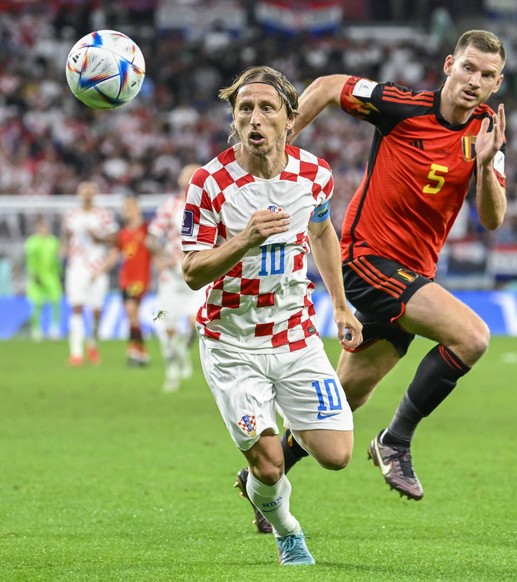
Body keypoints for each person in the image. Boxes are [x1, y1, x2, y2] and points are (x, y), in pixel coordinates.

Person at [236, 30, 508, 534]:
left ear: (497, 83)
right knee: (472, 337)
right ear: (449, 65)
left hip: (411, 276)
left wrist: (487, 166)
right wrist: (282, 142)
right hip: (367, 260)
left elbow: (493, 218)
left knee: (342, 400)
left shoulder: (489, 128)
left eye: (487, 75)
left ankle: (263, 483)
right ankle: (395, 440)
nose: (475, 81)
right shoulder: (401, 105)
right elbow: (328, 85)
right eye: (468, 68)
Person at [181, 66, 363, 565]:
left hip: (296, 338)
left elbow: (323, 232)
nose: (255, 119)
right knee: (268, 466)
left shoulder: (314, 175)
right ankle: (288, 530)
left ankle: (276, 452)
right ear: (234, 119)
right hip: (233, 345)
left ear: (290, 117)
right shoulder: (210, 183)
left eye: (267, 109)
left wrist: (341, 305)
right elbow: (193, 272)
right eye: (245, 109)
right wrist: (244, 238)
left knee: (337, 455)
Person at [147, 163, 206, 391]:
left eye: (195, 174)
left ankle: (183, 349)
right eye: (186, 175)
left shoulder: (210, 206)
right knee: (167, 327)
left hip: (200, 274)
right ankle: (173, 367)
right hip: (172, 276)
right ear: (180, 180)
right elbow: (152, 237)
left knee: (196, 320)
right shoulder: (170, 207)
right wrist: (162, 258)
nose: (190, 178)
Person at [61, 180, 117, 366]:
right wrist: (64, 249)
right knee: (76, 307)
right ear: (78, 194)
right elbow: (66, 235)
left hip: (97, 266)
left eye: (89, 191)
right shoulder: (71, 216)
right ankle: (76, 352)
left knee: (96, 311)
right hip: (76, 266)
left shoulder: (103, 215)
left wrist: (98, 237)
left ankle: (92, 343)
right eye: (83, 191)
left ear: (94, 194)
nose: (86, 194)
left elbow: (113, 239)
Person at [110, 194, 153, 366]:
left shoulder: (147, 230)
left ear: (137, 209)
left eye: (129, 207)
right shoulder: (123, 234)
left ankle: (137, 351)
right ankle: (138, 351)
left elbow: (155, 251)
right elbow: (115, 254)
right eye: (124, 208)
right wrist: (100, 270)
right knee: (132, 317)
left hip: (140, 280)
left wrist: (163, 265)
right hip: (125, 280)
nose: (125, 211)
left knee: (130, 311)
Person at [24, 216, 63, 340]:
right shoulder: (32, 242)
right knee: (37, 303)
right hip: (38, 276)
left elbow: (57, 259)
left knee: (56, 302)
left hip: (52, 277)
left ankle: (54, 328)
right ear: (37, 229)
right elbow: (30, 260)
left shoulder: (53, 241)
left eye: (46, 227)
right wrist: (34, 274)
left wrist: (60, 272)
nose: (44, 230)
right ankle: (36, 329)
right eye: (41, 227)